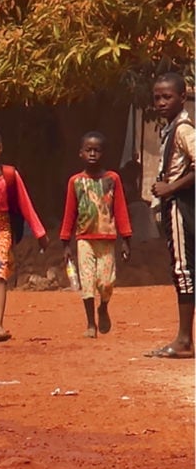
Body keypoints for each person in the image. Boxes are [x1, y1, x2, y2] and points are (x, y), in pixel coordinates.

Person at [0, 128, 48, 343]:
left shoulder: (10, 174)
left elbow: (25, 204)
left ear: (0, 148)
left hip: (3, 228)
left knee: (1, 273)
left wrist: (39, 231)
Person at [58, 132, 133, 339]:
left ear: (104, 153)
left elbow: (120, 209)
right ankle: (91, 323)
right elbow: (70, 212)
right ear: (80, 153)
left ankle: (104, 307)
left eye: (97, 150)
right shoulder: (75, 181)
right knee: (88, 281)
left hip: (108, 239)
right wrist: (66, 243)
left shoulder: (112, 179)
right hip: (84, 240)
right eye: (88, 150)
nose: (92, 154)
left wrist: (126, 239)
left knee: (106, 283)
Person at [146, 72, 195, 359]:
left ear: (182, 96)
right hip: (175, 203)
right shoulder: (170, 128)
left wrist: (170, 187)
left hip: (181, 204)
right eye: (157, 98)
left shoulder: (184, 130)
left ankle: (184, 340)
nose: (161, 102)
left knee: (183, 269)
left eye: (167, 97)